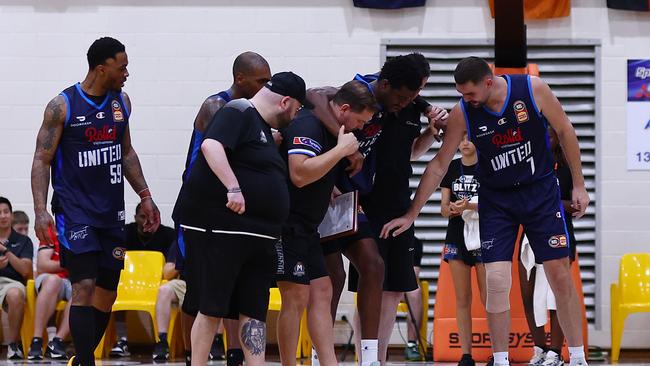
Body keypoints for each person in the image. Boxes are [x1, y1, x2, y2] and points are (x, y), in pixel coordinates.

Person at [381, 56, 590, 366]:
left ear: (489, 82)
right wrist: (412, 212)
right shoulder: (463, 112)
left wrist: (579, 185)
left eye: (470, 94)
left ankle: (577, 357)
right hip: (497, 199)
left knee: (559, 273)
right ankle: (501, 359)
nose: (465, 100)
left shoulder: (532, 89)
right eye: (461, 94)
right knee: (495, 279)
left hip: (540, 192)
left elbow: (566, 130)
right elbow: (439, 164)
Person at [307, 54, 447, 366]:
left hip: (377, 202)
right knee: (336, 277)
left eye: (416, 94)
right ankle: (323, 355)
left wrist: (427, 119)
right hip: (342, 199)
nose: (408, 100)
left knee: (382, 276)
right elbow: (313, 95)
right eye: (406, 95)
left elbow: (410, 151)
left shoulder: (406, 105)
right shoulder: (362, 96)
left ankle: (372, 359)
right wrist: (347, 145)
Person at [30, 37, 161, 366]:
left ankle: (80, 355)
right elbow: (41, 160)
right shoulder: (62, 106)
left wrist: (145, 196)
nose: (127, 73)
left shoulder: (122, 103)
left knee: (107, 292)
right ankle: (87, 360)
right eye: (122, 67)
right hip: (75, 212)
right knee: (84, 285)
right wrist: (40, 210)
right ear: (102, 69)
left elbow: (126, 152)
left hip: (111, 213)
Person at [176, 71, 311, 366]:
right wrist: (233, 188)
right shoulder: (237, 110)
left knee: (254, 309)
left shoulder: (261, 127)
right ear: (286, 102)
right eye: (297, 109)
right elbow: (211, 146)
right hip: (223, 230)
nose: (296, 116)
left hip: (259, 235)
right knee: (211, 307)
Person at [172, 51, 271, 366]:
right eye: (261, 81)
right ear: (240, 78)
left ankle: (234, 354)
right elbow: (220, 153)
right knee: (200, 295)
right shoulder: (217, 107)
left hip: (230, 216)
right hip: (201, 213)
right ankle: (193, 357)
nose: (265, 87)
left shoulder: (251, 112)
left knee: (237, 290)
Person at [276, 80, 376, 366]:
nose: (359, 128)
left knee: (323, 290)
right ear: (344, 109)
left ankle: (328, 362)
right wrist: (341, 151)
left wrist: (328, 189)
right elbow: (299, 174)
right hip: (287, 224)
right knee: (295, 297)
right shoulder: (308, 126)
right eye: (360, 120)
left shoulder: (334, 131)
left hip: (309, 227)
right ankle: (288, 363)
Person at [519, 126, 579, 366]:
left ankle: (556, 352)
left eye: (550, 135)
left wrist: (547, 201)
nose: (545, 139)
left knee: (556, 297)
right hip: (529, 236)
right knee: (528, 294)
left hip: (559, 234)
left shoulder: (567, 169)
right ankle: (539, 349)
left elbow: (575, 206)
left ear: (558, 139)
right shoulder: (526, 165)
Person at [439, 134, 486, 366]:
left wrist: (471, 205)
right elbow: (443, 208)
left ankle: (498, 353)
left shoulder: (488, 166)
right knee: (462, 297)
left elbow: (496, 202)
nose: (465, 142)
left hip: (484, 235)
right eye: (462, 137)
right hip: (457, 234)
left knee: (490, 299)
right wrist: (454, 209)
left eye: (470, 137)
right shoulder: (452, 167)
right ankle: (466, 354)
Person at [110, 202, 175, 357]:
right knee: (112, 289)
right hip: (129, 283)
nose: (148, 221)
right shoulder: (126, 232)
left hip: (157, 283)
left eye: (153, 217)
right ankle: (122, 339)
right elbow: (114, 254)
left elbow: (171, 264)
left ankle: (161, 341)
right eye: (143, 217)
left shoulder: (168, 235)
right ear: (135, 217)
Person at [28, 229, 71, 360]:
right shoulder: (51, 233)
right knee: (54, 281)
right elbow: (43, 265)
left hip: (73, 280)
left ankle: (57, 342)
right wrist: (70, 264)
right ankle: (37, 340)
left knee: (83, 291)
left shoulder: (84, 231)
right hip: (49, 278)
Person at [0, 197, 34, 360]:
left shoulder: (23, 241)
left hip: (11, 283)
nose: (2, 216)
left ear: (11, 215)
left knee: (16, 295)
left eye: (6, 212)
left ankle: (13, 345)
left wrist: (6, 252)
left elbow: (26, 270)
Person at [403, 236, 424, 361]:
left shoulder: (415, 242)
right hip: (382, 282)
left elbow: (414, 274)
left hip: (402, 282)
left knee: (415, 291)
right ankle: (375, 344)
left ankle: (412, 344)